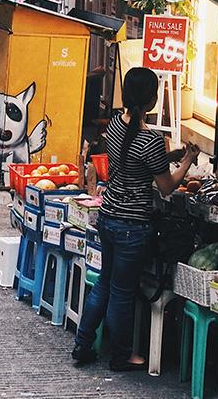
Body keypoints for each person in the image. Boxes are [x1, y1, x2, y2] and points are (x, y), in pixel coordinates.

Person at [73, 67, 199, 371]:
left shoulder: (116, 125)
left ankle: (83, 343)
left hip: (108, 216)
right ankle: (121, 355)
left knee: (104, 282)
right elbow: (167, 186)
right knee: (121, 290)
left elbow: (135, 160)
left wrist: (175, 155)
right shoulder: (151, 140)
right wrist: (187, 161)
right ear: (152, 99)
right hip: (133, 225)